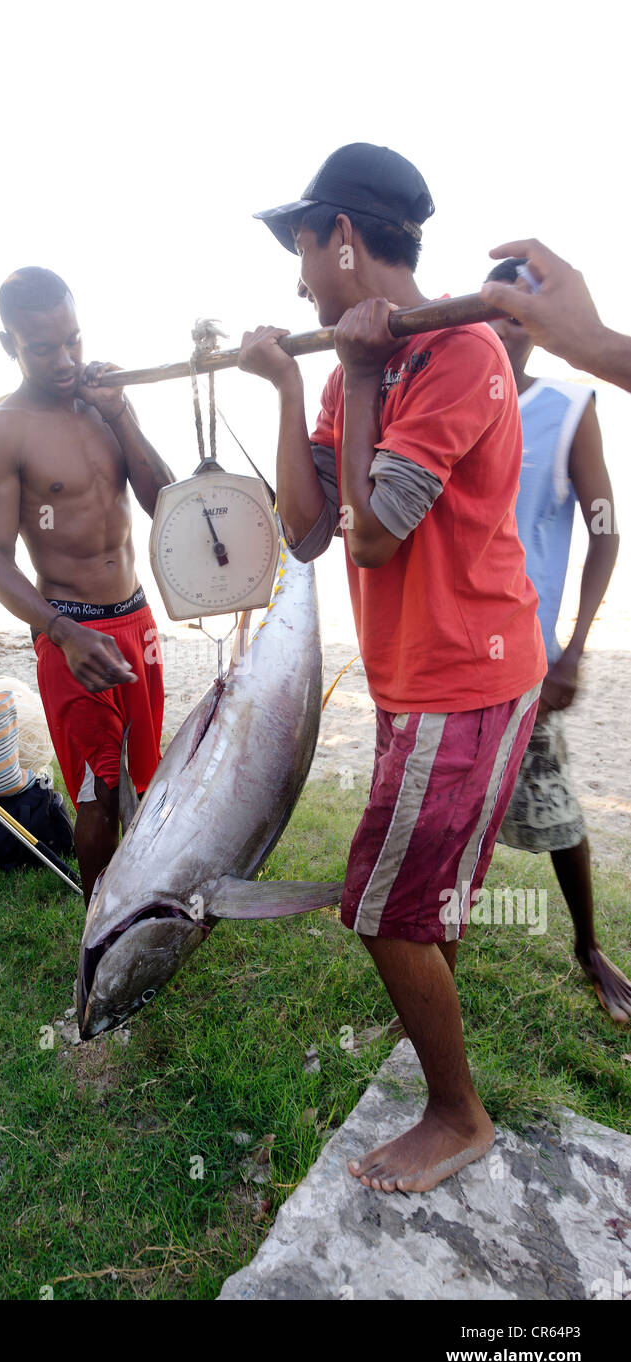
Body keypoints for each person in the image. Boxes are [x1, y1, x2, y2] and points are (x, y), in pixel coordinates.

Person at [239, 143, 546, 1193]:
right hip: (415, 678)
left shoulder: (458, 354)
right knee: (425, 898)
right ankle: (437, 1050)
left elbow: (378, 538)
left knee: (376, 905)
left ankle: (458, 1114)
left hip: (467, 674)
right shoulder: (354, 367)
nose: (296, 282)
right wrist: (295, 387)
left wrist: (363, 373)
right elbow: (310, 528)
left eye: (302, 251)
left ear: (343, 238)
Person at [0, 267, 174, 901]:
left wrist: (124, 417)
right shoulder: (0, 435)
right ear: (10, 345)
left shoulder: (106, 402)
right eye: (43, 348)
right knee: (97, 794)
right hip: (69, 629)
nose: (65, 360)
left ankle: (143, 907)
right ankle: (100, 930)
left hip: (137, 620)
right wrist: (62, 633)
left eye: (73, 341)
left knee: (146, 778)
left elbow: (166, 501)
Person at [485, 258, 627, 1021]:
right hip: (453, 650)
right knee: (453, 807)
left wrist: (572, 648)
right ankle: (437, 932)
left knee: (553, 806)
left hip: (530, 653)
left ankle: (586, 947)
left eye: (524, 308)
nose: (508, 321)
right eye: (498, 305)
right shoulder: (449, 395)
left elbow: (604, 534)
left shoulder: (569, 407)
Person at [480, 240, 631, 391]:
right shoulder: (458, 387)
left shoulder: (571, 401)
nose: (496, 330)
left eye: (515, 319)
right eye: (484, 316)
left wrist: (593, 342)